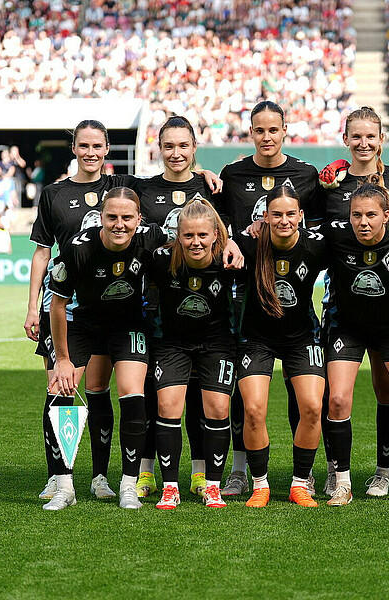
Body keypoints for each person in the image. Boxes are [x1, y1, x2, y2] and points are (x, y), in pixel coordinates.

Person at [213, 100, 326, 497]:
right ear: (250, 132)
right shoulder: (232, 174)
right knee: (250, 404)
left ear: (284, 130)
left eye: (273, 130)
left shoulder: (306, 175)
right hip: (247, 295)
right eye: (259, 130)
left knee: (308, 402)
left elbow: (324, 223)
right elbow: (218, 221)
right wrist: (231, 239)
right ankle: (245, 474)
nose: (266, 137)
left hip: (296, 306)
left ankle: (303, 477)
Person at [45, 186, 167, 510]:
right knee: (61, 390)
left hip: (128, 324)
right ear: (100, 218)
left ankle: (129, 484)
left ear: (139, 219)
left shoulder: (150, 237)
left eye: (127, 217)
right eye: (111, 217)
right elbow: (58, 305)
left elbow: (185, 242)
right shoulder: (77, 248)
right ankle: (64, 485)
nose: (119, 224)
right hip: (84, 324)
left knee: (132, 393)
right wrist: (63, 360)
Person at [317, 106, 389, 498]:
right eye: (356, 136)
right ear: (346, 139)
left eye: (370, 136)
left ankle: (383, 471)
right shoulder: (328, 180)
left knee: (388, 390)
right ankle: (335, 472)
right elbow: (309, 229)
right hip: (343, 304)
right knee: (336, 394)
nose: (363, 143)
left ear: (381, 139)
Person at [25, 120, 124, 503]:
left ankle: (99, 476)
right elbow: (41, 252)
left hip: (105, 306)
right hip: (61, 306)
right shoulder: (54, 193)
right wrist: (33, 306)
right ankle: (59, 477)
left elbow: (168, 181)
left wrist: (202, 172)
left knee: (98, 389)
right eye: (84, 145)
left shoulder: (120, 188)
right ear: (74, 148)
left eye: (97, 145)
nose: (91, 152)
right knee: (59, 390)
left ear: (107, 148)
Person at [128, 116, 217, 500]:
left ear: (194, 148)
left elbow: (225, 234)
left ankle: (200, 473)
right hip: (153, 303)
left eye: (183, 145)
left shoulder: (212, 187)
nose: (176, 153)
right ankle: (146, 471)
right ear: (159, 148)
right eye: (169, 146)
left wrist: (206, 174)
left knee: (199, 393)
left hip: (201, 307)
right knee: (154, 392)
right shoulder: (142, 189)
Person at [233, 186, 328, 507]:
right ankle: (260, 485)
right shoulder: (248, 243)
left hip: (302, 337)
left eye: (290, 214)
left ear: (301, 216)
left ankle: (300, 483)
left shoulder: (316, 245)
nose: (284, 220)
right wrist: (234, 238)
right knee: (254, 409)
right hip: (256, 338)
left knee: (313, 408)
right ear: (265, 217)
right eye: (277, 214)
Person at [147, 198, 237, 510]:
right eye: (188, 236)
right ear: (178, 235)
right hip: (174, 343)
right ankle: (170, 487)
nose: (195, 242)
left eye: (202, 235)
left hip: (217, 343)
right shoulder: (161, 259)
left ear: (215, 235)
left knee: (218, 410)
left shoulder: (229, 260)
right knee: (168, 406)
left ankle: (213, 486)